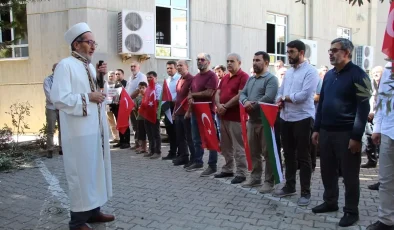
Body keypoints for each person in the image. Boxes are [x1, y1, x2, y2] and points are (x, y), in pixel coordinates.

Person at [50, 22, 114, 230]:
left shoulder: (87, 67)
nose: (93, 46)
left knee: (94, 171)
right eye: (89, 42)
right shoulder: (65, 65)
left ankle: (93, 212)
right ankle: (77, 221)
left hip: (92, 130)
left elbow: (97, 94)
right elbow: (59, 98)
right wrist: (88, 97)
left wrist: (101, 77)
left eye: (94, 42)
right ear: (76, 45)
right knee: (80, 174)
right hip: (77, 132)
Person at [311, 38, 370, 227]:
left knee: (350, 175)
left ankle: (351, 211)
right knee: (327, 170)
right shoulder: (328, 75)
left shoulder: (360, 75)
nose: (330, 53)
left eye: (334, 50)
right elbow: (321, 104)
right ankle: (330, 202)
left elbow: (363, 108)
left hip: (346, 134)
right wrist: (317, 128)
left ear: (347, 53)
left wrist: (356, 136)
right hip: (326, 131)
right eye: (330, 50)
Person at [274, 40, 319, 207]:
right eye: (287, 52)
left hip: (303, 119)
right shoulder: (289, 72)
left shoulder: (311, 72)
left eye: (291, 52)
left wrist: (285, 98)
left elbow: (304, 95)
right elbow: (281, 90)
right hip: (286, 118)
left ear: (301, 53)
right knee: (288, 155)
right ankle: (290, 186)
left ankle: (305, 192)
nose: (288, 55)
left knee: (303, 156)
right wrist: (280, 98)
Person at [239, 51, 279, 192]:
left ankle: (269, 181)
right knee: (254, 152)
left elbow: (269, 97)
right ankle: (255, 178)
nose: (255, 63)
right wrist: (245, 101)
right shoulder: (251, 79)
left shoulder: (271, 79)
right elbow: (242, 94)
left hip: (265, 122)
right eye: (254, 60)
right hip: (252, 121)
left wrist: (253, 104)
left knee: (267, 153)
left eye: (258, 60)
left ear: (266, 63)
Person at [366, 62, 394, 230]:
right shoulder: (389, 68)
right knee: (386, 180)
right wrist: (377, 128)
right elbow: (382, 101)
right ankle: (386, 220)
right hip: (388, 131)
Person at [214, 53, 249, 184]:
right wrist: (218, 105)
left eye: (232, 61)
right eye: (227, 61)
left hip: (236, 118)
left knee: (238, 146)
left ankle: (241, 173)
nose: (229, 63)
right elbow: (217, 93)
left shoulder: (244, 77)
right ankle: (228, 168)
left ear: (239, 63)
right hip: (223, 117)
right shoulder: (225, 78)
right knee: (225, 146)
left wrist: (225, 107)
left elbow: (240, 95)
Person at [185, 53, 219, 177]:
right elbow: (191, 91)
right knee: (196, 139)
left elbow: (209, 92)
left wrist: (193, 95)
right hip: (195, 111)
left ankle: (212, 165)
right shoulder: (196, 77)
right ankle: (198, 161)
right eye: (198, 59)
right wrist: (190, 103)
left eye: (202, 59)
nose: (199, 61)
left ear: (208, 62)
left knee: (210, 138)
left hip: (207, 112)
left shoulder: (212, 76)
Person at [172, 60, 195, 167]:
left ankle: (193, 159)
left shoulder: (191, 79)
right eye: (177, 66)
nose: (179, 67)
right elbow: (178, 98)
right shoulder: (179, 79)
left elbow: (191, 97)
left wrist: (189, 111)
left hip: (186, 113)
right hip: (178, 113)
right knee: (180, 137)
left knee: (189, 137)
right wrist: (174, 112)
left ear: (187, 66)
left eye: (181, 65)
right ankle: (184, 157)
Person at [362, 65, 383, 169]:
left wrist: (373, 112)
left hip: (380, 118)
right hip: (370, 117)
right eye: (374, 73)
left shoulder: (385, 86)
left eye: (378, 72)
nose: (375, 74)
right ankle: (372, 160)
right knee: (369, 139)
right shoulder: (371, 85)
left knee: (380, 142)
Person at [126, 62, 148, 150]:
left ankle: (141, 145)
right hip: (131, 104)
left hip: (138, 103)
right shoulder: (130, 77)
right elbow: (127, 89)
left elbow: (138, 90)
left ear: (139, 67)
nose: (132, 68)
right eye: (131, 66)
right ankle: (136, 143)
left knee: (139, 125)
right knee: (134, 125)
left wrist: (129, 99)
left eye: (134, 66)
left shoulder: (142, 76)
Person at [162, 60, 180, 160]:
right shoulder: (168, 80)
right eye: (167, 68)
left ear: (176, 68)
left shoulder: (178, 79)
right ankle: (172, 152)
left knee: (177, 131)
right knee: (170, 131)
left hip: (176, 106)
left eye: (171, 68)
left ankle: (180, 152)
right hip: (167, 107)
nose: (169, 70)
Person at [43, 63, 62, 158]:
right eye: (56, 68)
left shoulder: (63, 79)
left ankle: (62, 148)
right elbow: (48, 94)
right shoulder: (47, 80)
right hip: (51, 107)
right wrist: (57, 103)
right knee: (51, 129)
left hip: (62, 108)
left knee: (62, 129)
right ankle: (50, 149)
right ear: (53, 69)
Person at [143, 71, 162, 159]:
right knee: (149, 133)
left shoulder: (158, 88)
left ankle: (157, 151)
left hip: (154, 113)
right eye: (148, 77)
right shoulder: (148, 88)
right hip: (147, 113)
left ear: (155, 78)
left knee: (155, 133)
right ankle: (151, 150)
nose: (149, 79)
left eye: (151, 77)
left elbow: (158, 100)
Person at [112, 69, 130, 149]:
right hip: (116, 108)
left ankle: (127, 142)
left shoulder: (126, 83)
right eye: (116, 74)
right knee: (119, 125)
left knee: (125, 125)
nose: (117, 75)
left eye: (119, 74)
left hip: (124, 108)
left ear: (123, 74)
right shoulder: (115, 84)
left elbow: (127, 95)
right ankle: (121, 141)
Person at [105, 71, 120, 144]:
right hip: (108, 106)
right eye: (109, 76)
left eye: (112, 76)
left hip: (116, 106)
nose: (111, 77)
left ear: (115, 76)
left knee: (117, 122)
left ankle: (120, 137)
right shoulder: (105, 84)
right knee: (111, 123)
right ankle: (115, 138)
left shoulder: (117, 84)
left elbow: (119, 94)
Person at [134, 82, 148, 154]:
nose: (141, 89)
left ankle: (151, 148)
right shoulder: (138, 98)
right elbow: (135, 107)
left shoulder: (149, 96)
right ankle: (143, 148)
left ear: (146, 88)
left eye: (143, 88)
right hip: (140, 118)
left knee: (149, 133)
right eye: (140, 88)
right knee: (141, 134)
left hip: (148, 118)